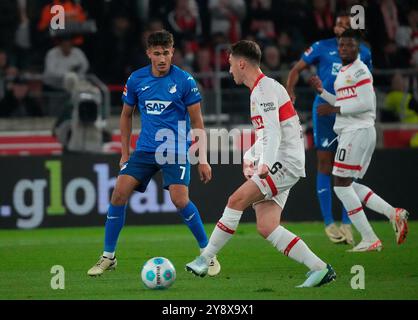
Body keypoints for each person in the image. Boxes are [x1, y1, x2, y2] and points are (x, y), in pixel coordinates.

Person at [186, 40, 336, 288]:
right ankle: (320, 269)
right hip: (286, 159)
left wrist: (264, 163)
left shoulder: (263, 90)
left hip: (283, 160)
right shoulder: (263, 89)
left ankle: (205, 258)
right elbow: (267, 133)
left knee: (235, 200)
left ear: (242, 63)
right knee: (267, 226)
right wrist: (250, 155)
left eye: (231, 63)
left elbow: (273, 133)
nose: (230, 69)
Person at [87, 30, 221, 276]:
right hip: (145, 150)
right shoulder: (137, 79)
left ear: (173, 52)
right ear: (149, 53)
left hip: (176, 150)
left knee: (180, 200)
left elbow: (198, 122)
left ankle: (208, 255)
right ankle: (108, 256)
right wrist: (124, 153)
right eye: (157, 53)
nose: (162, 58)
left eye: (166, 53)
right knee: (118, 194)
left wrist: (203, 159)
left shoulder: (185, 81)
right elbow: (126, 116)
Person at [309, 29, 409, 252]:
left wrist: (335, 108)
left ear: (358, 49)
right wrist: (322, 92)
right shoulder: (345, 72)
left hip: (357, 131)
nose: (344, 49)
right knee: (348, 185)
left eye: (350, 45)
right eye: (342, 45)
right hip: (353, 132)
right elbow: (345, 100)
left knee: (341, 187)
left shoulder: (361, 71)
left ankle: (369, 238)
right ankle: (393, 213)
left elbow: (366, 104)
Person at [286, 12, 372, 245]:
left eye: (347, 24)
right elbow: (295, 70)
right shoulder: (320, 47)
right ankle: (328, 223)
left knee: (346, 170)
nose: (342, 27)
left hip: (348, 112)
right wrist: (290, 93)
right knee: (325, 164)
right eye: (339, 24)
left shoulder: (364, 52)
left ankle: (347, 222)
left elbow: (367, 88)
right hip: (324, 112)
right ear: (334, 29)